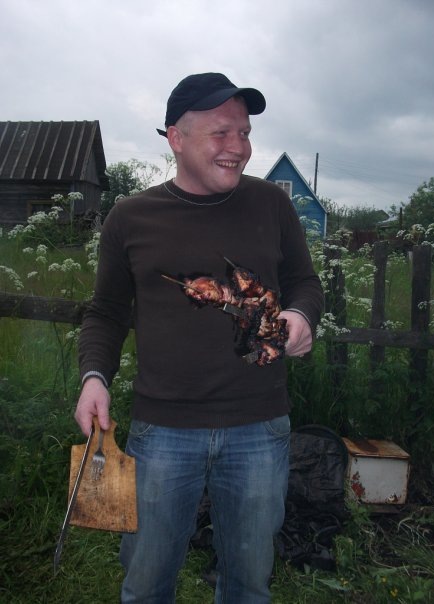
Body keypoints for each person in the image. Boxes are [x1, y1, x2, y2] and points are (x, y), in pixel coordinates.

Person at [75, 72, 324, 604]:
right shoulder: (130, 217)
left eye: (245, 132)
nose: (239, 146)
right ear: (176, 137)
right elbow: (106, 313)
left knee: (249, 584)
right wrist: (94, 377)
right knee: (146, 583)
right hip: (163, 431)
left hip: (259, 427)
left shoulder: (272, 204)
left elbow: (305, 282)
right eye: (221, 133)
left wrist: (301, 314)